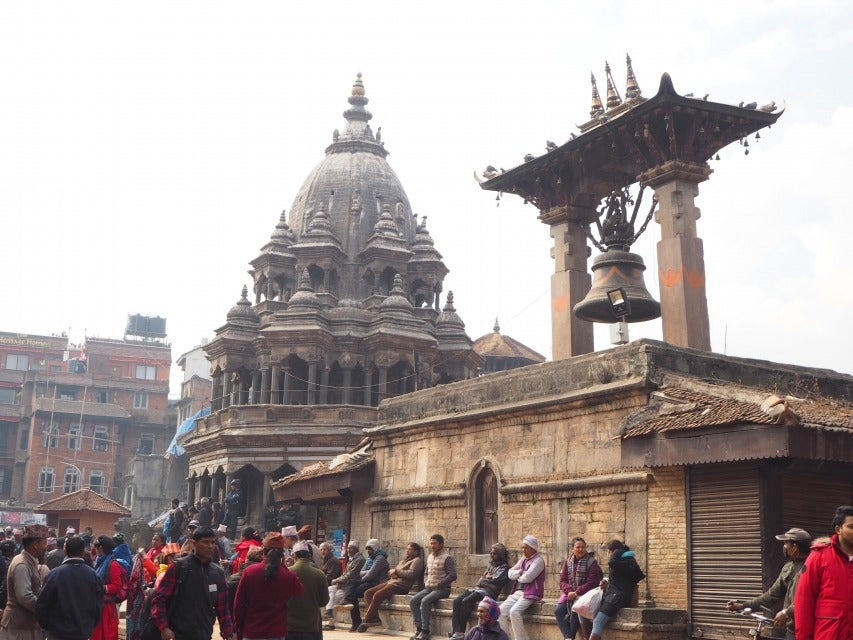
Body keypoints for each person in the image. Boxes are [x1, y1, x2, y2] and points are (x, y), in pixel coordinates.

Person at [150, 526, 234, 640]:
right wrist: (164, 628)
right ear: (194, 543)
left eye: (212, 542)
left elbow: (223, 607)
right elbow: (159, 599)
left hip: (204, 635)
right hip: (178, 634)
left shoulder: (217, 573)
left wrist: (228, 632)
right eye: (205, 542)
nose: (210, 546)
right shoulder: (178, 568)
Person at [726, 527, 811, 640]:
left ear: (795, 547)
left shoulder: (810, 568)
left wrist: (786, 613)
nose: (784, 547)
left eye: (786, 543)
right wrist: (743, 606)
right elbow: (771, 595)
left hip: (807, 629)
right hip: (791, 630)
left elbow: (806, 600)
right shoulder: (788, 567)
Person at [795, 505, 853, 640]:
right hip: (829, 635)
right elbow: (804, 601)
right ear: (838, 529)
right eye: (851, 526)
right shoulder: (819, 557)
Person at [233, 532, 303, 640]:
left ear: (263, 551)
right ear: (282, 554)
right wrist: (284, 567)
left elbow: (239, 604)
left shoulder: (249, 572)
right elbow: (299, 591)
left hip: (252, 631)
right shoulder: (289, 576)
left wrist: (238, 627)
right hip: (277, 632)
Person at [36, 536, 103, 640]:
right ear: (83, 552)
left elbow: (42, 604)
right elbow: (98, 605)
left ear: (65, 551)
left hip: (57, 632)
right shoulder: (93, 575)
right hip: (82, 632)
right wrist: (89, 625)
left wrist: (47, 626)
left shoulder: (54, 575)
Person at [584, 539, 645, 640]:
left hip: (616, 598)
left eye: (609, 552)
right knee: (585, 612)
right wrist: (606, 581)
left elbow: (612, 562)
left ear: (613, 551)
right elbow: (620, 578)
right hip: (613, 596)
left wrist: (618, 551)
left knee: (598, 621)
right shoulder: (626, 561)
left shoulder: (626, 561)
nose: (609, 555)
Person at [359, 541, 424, 632]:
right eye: (407, 549)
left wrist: (396, 572)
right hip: (391, 582)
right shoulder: (403, 561)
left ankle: (367, 619)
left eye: (410, 549)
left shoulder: (417, 561)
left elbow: (411, 574)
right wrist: (393, 573)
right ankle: (374, 618)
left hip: (401, 586)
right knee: (368, 593)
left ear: (416, 551)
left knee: (378, 594)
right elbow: (392, 572)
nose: (407, 551)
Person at [449, 543, 510, 640]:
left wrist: (485, 579)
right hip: (479, 589)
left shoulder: (503, 568)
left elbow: (495, 580)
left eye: (494, 553)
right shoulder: (491, 565)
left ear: (500, 554)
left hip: (489, 592)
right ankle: (456, 631)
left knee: (466, 601)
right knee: (457, 601)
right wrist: (486, 578)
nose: (492, 555)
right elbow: (482, 579)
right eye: (491, 553)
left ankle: (460, 632)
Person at [0, 524, 48, 640]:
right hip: (18, 628)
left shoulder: (29, 561)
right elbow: (24, 596)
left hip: (25, 625)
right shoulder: (22, 564)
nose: (46, 546)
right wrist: (45, 608)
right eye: (44, 542)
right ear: (35, 544)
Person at [410, 534, 457, 640]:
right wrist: (426, 581)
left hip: (443, 589)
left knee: (425, 601)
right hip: (429, 588)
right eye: (431, 543)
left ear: (441, 544)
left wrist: (440, 584)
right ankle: (419, 629)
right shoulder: (430, 556)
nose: (432, 545)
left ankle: (425, 631)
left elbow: (453, 575)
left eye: (434, 543)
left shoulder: (447, 558)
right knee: (413, 601)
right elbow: (426, 573)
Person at [499, 535, 545, 640]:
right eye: (523, 547)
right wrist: (520, 572)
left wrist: (518, 575)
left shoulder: (538, 561)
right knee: (500, 611)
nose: (523, 550)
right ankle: (505, 638)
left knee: (514, 612)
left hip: (531, 593)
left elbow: (528, 578)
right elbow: (510, 573)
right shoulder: (523, 559)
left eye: (526, 548)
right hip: (518, 592)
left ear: (533, 548)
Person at [556, 537, 602, 640]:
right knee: (558, 611)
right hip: (570, 593)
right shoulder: (568, 562)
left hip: (585, 594)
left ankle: (570, 637)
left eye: (583, 547)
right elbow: (563, 580)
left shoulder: (591, 562)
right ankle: (568, 637)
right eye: (578, 547)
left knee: (575, 609)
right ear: (573, 548)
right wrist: (569, 591)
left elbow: (591, 583)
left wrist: (576, 592)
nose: (580, 549)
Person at [286, 541, 330, 640]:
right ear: (309, 556)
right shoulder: (319, 574)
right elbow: (324, 601)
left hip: (289, 626)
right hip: (311, 626)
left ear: (294, 556)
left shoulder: (287, 572)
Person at [346, 538, 389, 632]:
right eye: (367, 549)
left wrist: (363, 577)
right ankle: (356, 619)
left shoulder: (380, 558)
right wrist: (367, 572)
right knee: (351, 587)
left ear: (375, 548)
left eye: (370, 549)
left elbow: (371, 575)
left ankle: (360, 620)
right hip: (368, 582)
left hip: (376, 583)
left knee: (353, 591)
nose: (368, 551)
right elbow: (361, 572)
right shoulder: (370, 558)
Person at [91, 536, 129, 640]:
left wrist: (102, 588)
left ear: (101, 548)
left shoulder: (113, 564)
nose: (95, 549)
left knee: (107, 635)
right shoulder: (99, 562)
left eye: (96, 547)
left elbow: (117, 586)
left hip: (107, 608)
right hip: (98, 606)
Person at [325, 540, 365, 631]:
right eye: (348, 548)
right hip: (346, 584)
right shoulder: (351, 559)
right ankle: (329, 614)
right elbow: (345, 574)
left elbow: (350, 575)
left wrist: (337, 580)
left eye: (351, 548)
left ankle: (331, 621)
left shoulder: (359, 560)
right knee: (331, 590)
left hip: (354, 584)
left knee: (339, 596)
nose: (348, 550)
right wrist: (339, 581)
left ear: (356, 549)